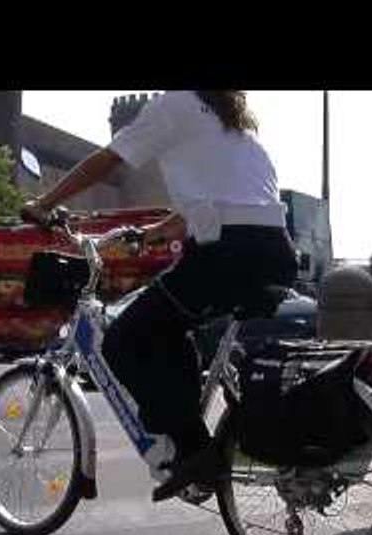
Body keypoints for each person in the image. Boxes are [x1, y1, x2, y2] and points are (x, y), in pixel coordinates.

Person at [22, 91, 298, 501]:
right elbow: (206, 209)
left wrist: (45, 203)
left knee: (123, 341)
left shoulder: (176, 104)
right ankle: (194, 445)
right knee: (171, 331)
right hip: (275, 252)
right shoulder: (237, 128)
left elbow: (110, 159)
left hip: (226, 252)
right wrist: (150, 234)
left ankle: (193, 450)